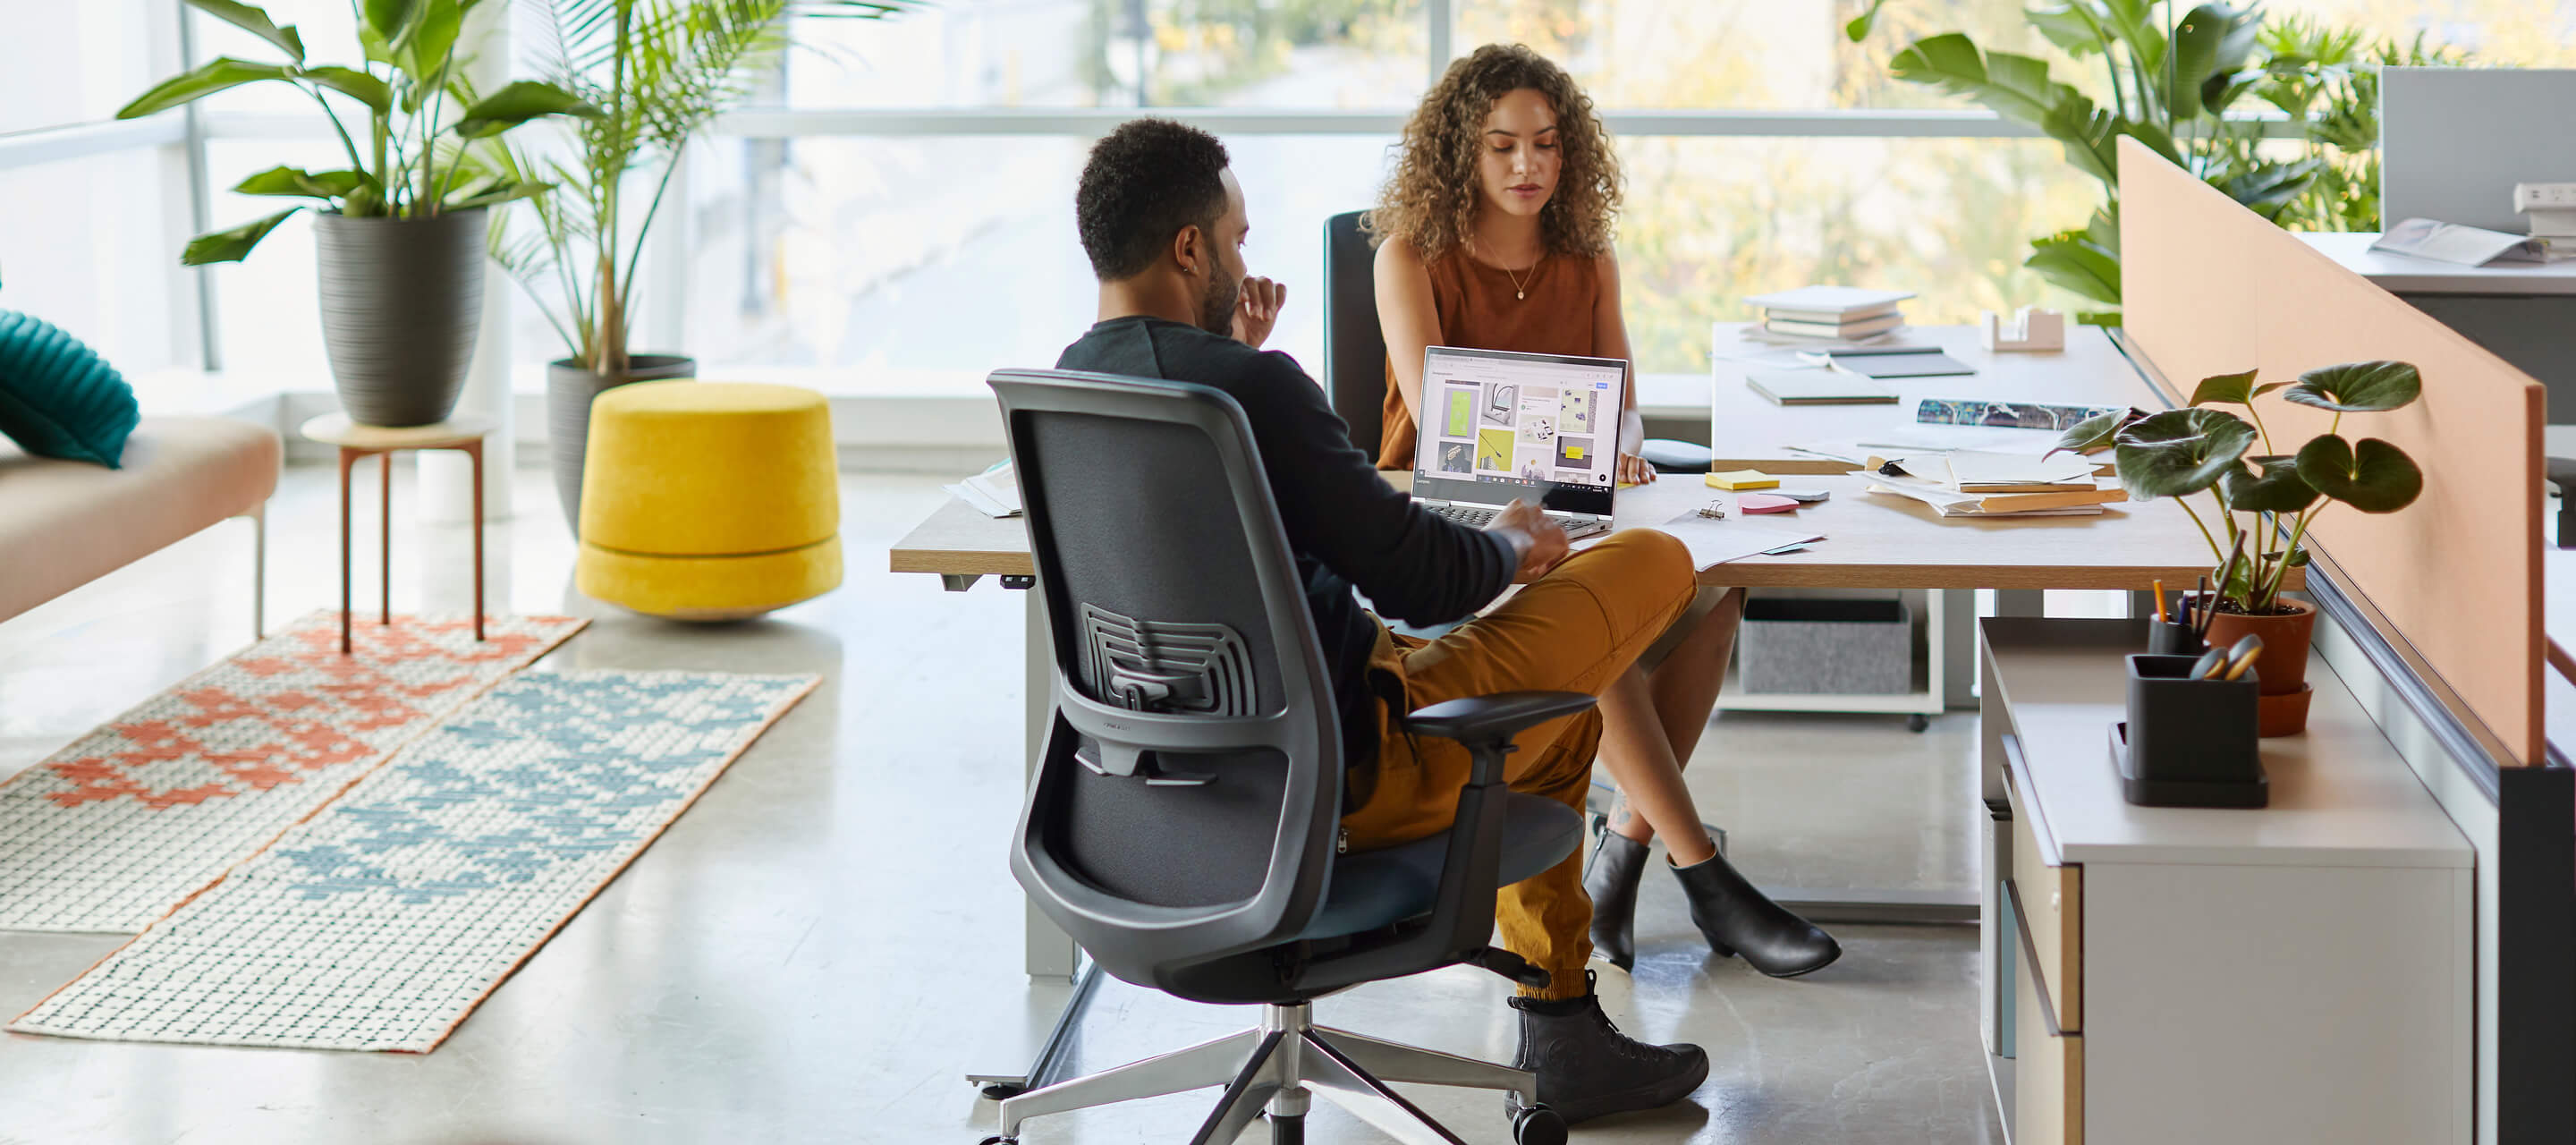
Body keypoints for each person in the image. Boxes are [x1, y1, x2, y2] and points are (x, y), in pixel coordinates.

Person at [1055, 117, 1707, 1125]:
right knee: (1657, 559)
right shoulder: (1257, 389)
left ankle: (1567, 1018)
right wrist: (1509, 542)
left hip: (1154, 801)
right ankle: (1564, 1024)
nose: (1241, 258)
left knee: (1556, 719)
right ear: (1188, 248)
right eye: (1233, 238)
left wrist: (1231, 358)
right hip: (1353, 770)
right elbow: (1419, 576)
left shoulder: (1071, 388)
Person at [1368, 44, 1840, 980]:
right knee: (1596, 620)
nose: (1527, 166)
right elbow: (1443, 421)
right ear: (1462, 153)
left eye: (1545, 144)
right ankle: (1705, 872)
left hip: (1576, 499)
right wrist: (1575, 438)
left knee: (1720, 589)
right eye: (1502, 146)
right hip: (1453, 520)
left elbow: (1618, 402)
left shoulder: (1587, 257)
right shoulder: (1409, 256)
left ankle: (1625, 845)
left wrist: (1617, 437)